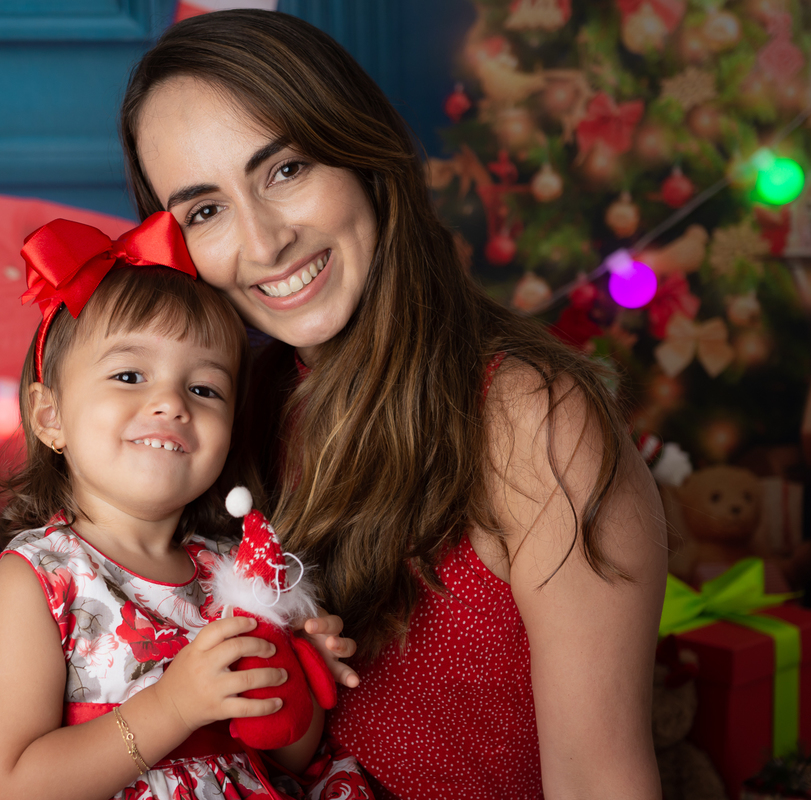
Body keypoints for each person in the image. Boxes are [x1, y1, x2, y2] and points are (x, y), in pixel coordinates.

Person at [120, 10, 668, 800]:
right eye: (205, 210)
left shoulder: (529, 418)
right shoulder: (238, 406)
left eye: (286, 170)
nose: (264, 242)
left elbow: (600, 781)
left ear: (360, 154)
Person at [0, 211, 370, 800]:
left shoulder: (236, 575)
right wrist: (173, 705)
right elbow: (12, 785)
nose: (170, 403)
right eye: (130, 375)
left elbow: (292, 754)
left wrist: (294, 678)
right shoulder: (39, 579)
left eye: (204, 388)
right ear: (50, 416)